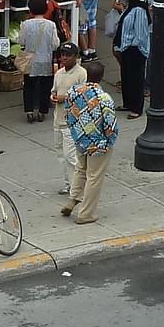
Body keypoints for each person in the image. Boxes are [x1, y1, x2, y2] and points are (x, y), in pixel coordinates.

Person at [62, 56, 119, 224]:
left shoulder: (73, 92)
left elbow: (68, 113)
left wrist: (77, 133)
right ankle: (86, 214)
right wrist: (110, 140)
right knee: (94, 177)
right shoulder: (104, 98)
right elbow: (110, 125)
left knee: (81, 169)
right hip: (99, 144)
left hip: (80, 139)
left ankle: (73, 200)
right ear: (101, 77)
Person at [110, 0, 152, 119]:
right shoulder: (132, 5)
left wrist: (131, 46)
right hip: (127, 48)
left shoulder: (139, 8)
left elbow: (140, 33)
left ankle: (136, 107)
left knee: (135, 79)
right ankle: (128, 103)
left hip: (135, 49)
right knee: (126, 77)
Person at [49, 40, 86, 193]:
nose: (64, 58)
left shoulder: (81, 73)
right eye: (62, 54)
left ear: (75, 57)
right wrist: (53, 96)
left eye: (68, 55)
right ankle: (69, 184)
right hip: (58, 120)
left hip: (72, 123)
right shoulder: (59, 73)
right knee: (61, 155)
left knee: (71, 156)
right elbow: (54, 91)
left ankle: (79, 186)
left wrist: (65, 98)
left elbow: (84, 96)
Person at [18, 0, 60, 124]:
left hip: (30, 61)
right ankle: (42, 111)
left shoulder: (25, 24)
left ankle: (29, 111)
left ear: (30, 10)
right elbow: (55, 44)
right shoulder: (51, 25)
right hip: (46, 59)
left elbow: (21, 41)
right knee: (45, 86)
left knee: (29, 86)